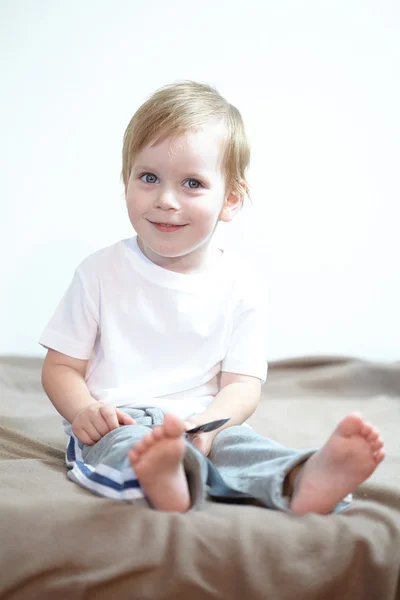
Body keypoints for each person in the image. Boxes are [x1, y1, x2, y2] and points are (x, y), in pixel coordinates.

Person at [40, 81, 385, 514]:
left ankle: (301, 477)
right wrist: (84, 410)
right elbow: (61, 367)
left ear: (231, 199)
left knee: (244, 445)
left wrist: (208, 424)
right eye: (148, 177)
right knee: (125, 447)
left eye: (192, 183)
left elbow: (241, 385)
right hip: (119, 417)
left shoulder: (240, 284)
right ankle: (164, 475)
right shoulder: (99, 272)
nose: (165, 200)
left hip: (204, 418)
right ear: (125, 179)